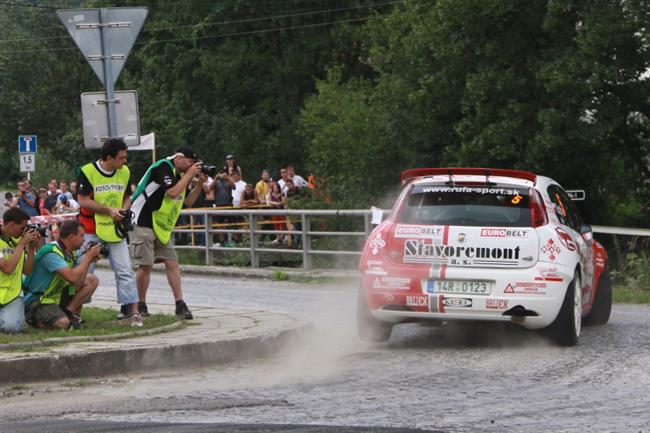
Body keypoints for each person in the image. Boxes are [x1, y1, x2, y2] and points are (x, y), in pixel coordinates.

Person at [129, 146, 207, 319]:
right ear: (178, 158)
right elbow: (172, 193)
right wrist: (189, 175)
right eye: (190, 162)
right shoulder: (162, 167)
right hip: (142, 220)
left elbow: (187, 201)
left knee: (172, 261)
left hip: (161, 225)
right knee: (146, 265)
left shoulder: (181, 176)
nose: (192, 166)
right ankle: (140, 304)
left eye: (195, 164)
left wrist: (200, 183)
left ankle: (180, 304)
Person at [77, 138, 143, 327]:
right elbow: (83, 201)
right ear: (109, 158)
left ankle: (134, 313)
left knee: (125, 269)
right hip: (91, 229)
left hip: (115, 229)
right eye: (121, 158)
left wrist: (122, 210)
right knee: (84, 270)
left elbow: (127, 196)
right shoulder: (88, 172)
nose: (125, 161)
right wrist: (109, 211)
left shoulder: (124, 172)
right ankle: (75, 311)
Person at [22, 220, 101, 330]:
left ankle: (69, 313)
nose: (84, 240)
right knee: (62, 323)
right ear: (71, 236)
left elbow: (77, 284)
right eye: (82, 236)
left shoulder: (69, 251)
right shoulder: (51, 252)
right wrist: (87, 259)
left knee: (91, 280)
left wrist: (89, 260)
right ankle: (33, 320)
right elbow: (72, 278)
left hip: (54, 297)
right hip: (37, 300)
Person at [0, 208, 39, 333]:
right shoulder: (19, 243)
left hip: (13, 294)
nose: (24, 231)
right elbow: (7, 268)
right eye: (22, 227)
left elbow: (27, 271)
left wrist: (31, 248)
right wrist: (22, 244)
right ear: (11, 224)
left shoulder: (16, 241)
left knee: (10, 328)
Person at [211, 169, 235, 245]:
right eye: (220, 173)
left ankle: (234, 239)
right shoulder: (216, 181)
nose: (222, 175)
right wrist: (215, 178)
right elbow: (210, 187)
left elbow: (234, 187)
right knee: (220, 224)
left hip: (228, 204)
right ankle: (221, 240)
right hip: (219, 205)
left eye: (223, 173)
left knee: (233, 223)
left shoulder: (228, 180)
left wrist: (228, 177)